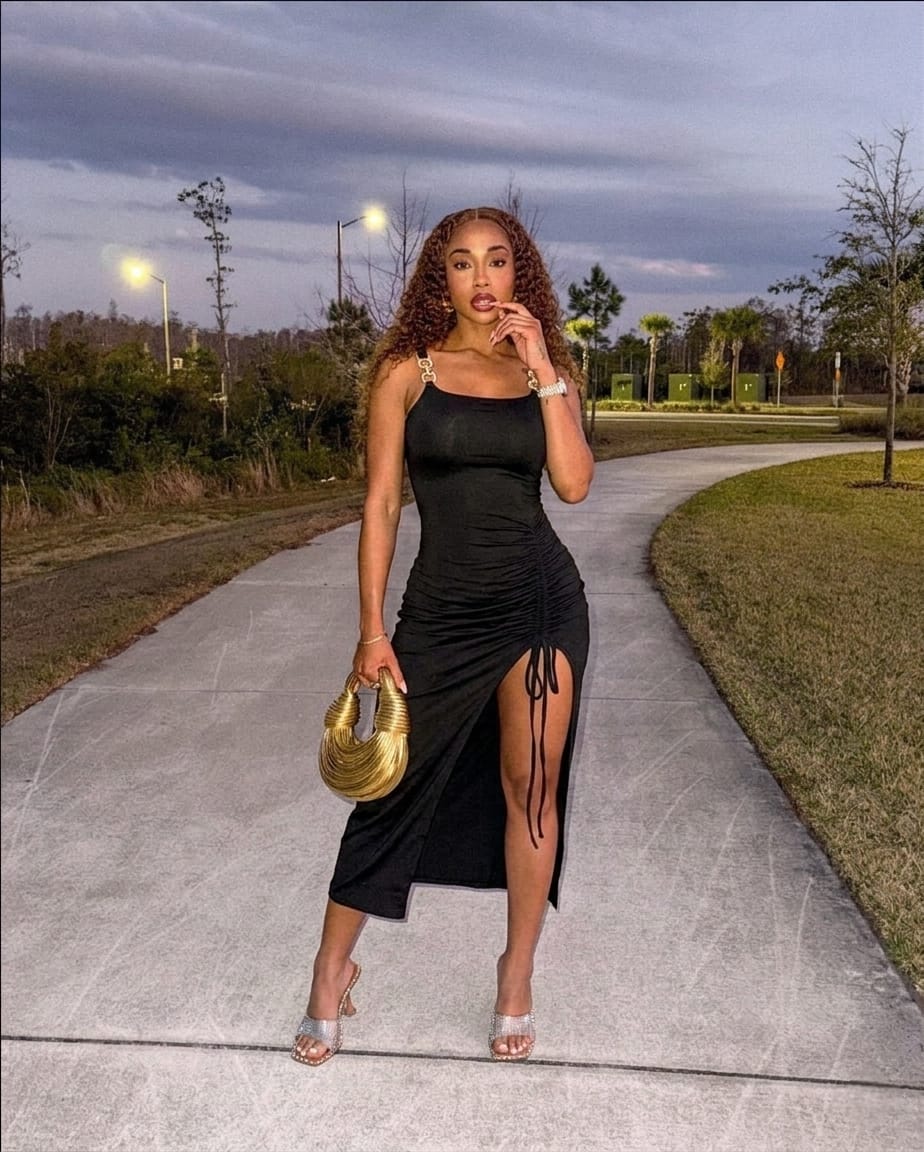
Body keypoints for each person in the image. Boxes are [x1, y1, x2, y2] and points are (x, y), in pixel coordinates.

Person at [292, 205, 594, 1066]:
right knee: (388, 785)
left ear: (518, 272)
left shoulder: (545, 370)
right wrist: (370, 632)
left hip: (539, 605)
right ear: (442, 279)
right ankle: (330, 968)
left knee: (532, 787)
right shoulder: (407, 372)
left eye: (498, 260)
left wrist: (543, 369)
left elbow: (574, 485)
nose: (482, 278)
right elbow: (382, 504)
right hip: (441, 612)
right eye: (463, 263)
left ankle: (516, 973)